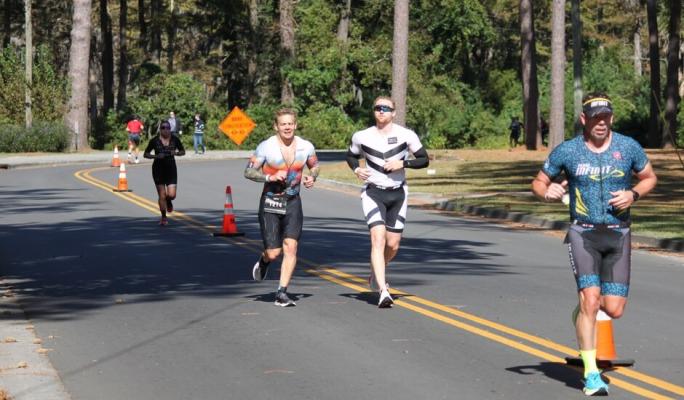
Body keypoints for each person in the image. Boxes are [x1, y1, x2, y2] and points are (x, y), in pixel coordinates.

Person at [531, 92, 657, 396]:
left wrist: (634, 194)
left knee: (613, 309)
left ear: (611, 119)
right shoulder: (568, 151)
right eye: (595, 118)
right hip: (583, 232)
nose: (601, 124)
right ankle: (591, 375)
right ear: (584, 119)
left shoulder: (628, 147)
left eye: (605, 118)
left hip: (619, 233)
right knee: (591, 300)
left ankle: (582, 311)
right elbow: (538, 182)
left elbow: (649, 177)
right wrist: (545, 192)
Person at [346, 96, 430, 308]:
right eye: (377, 108)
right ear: (374, 112)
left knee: (392, 245)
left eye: (386, 108)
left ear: (394, 112)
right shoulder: (362, 136)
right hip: (373, 193)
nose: (381, 111)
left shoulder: (406, 134)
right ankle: (383, 290)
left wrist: (403, 163)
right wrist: (356, 169)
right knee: (378, 239)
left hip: (398, 194)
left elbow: (424, 159)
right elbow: (351, 155)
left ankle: (376, 270)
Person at [244, 108, 319, 307]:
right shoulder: (266, 147)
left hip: (293, 201)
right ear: (276, 126)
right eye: (283, 124)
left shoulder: (306, 146)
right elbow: (248, 172)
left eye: (290, 123)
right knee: (274, 252)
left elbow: (314, 166)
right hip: (270, 201)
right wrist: (269, 177)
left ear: (295, 125)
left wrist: (312, 177)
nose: (287, 127)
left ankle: (282, 292)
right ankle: (264, 260)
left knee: (291, 247)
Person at [143, 120, 186, 226]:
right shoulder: (154, 141)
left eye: (167, 127)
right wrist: (156, 156)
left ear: (170, 129)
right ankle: (163, 217)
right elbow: (146, 154)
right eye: (163, 127)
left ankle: (169, 200)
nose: (165, 129)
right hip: (158, 169)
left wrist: (175, 153)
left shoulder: (175, 140)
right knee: (161, 195)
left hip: (171, 169)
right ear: (160, 129)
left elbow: (183, 151)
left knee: (171, 195)